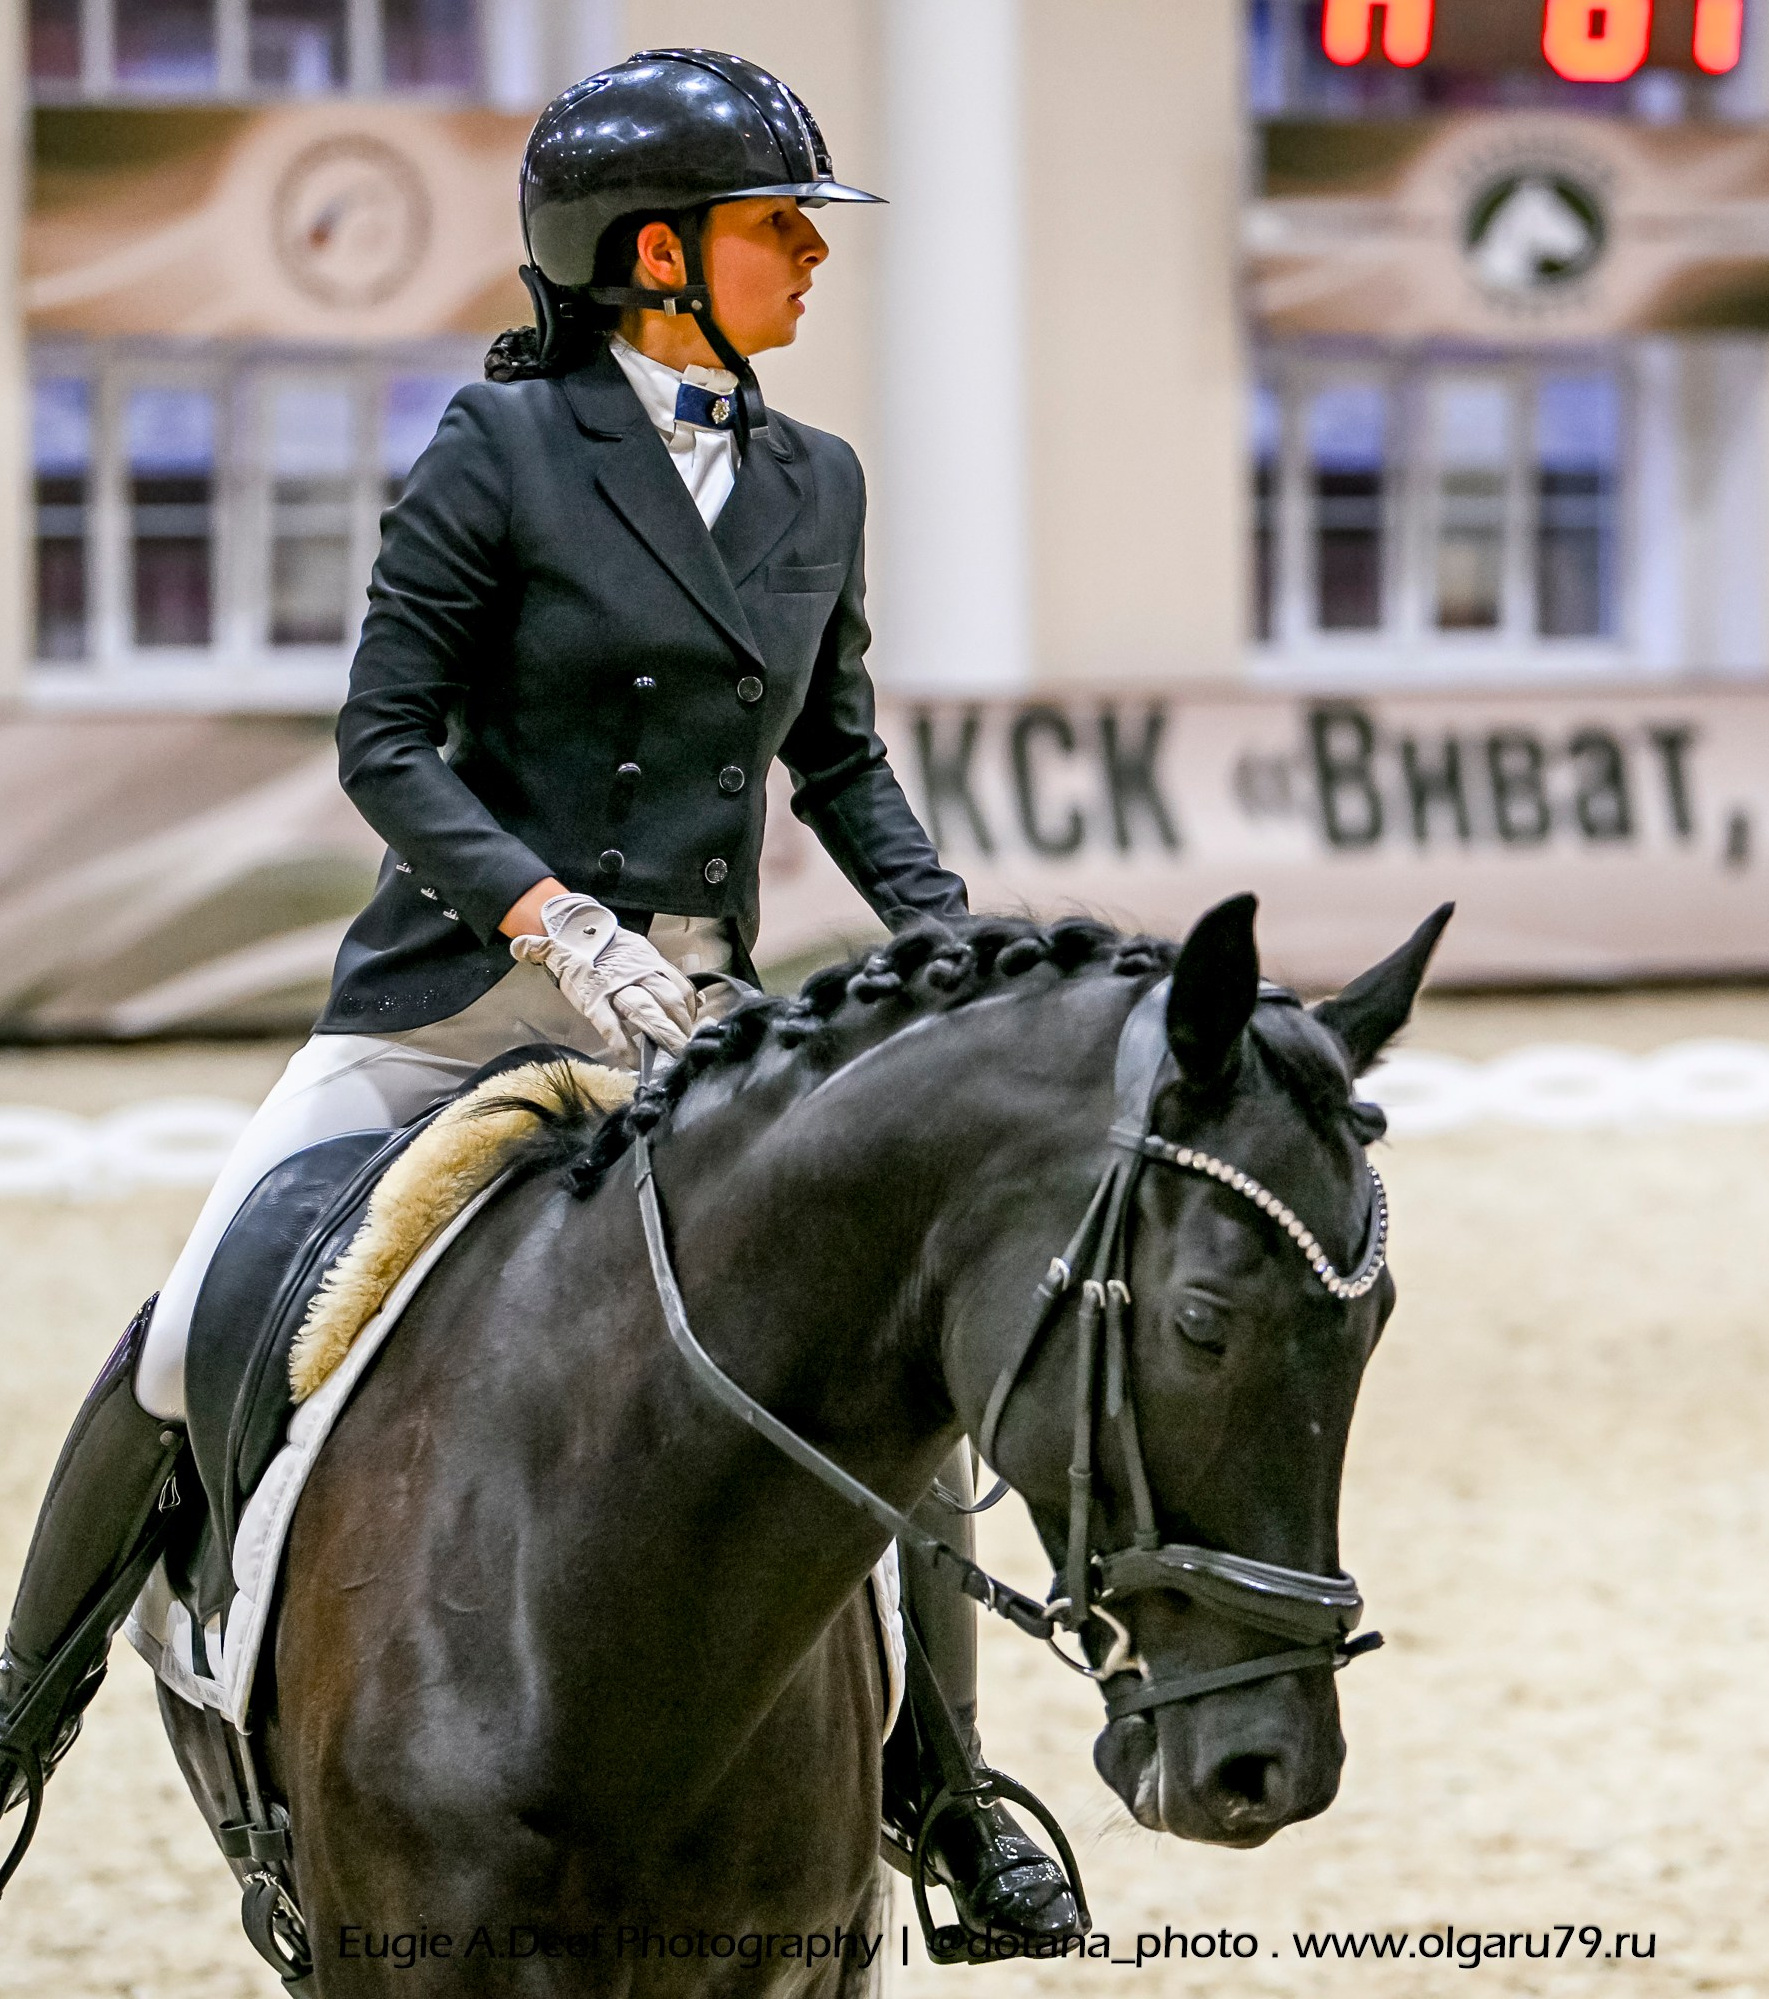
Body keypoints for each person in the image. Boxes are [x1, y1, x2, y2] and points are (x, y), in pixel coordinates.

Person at [0, 48, 1079, 1949]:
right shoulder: (499, 453)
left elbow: (837, 757)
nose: (811, 267)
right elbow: (387, 740)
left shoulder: (814, 477)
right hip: (457, 1003)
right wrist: (552, 923)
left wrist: (944, 941)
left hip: (698, 1019)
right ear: (655, 255)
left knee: (881, 1367)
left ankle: (944, 1801)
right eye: (774, 231)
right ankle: (19, 1721)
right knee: (192, 1322)